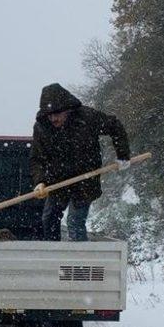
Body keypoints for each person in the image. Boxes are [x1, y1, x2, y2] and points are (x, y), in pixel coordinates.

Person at [29, 83, 130, 241]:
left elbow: (115, 127)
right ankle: (54, 256)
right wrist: (40, 181)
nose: (53, 118)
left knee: (75, 221)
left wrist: (123, 156)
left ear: (67, 108)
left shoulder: (87, 118)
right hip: (57, 181)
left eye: (57, 113)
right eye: (50, 114)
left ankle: (81, 261)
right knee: (48, 218)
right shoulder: (42, 128)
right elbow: (37, 158)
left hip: (85, 180)